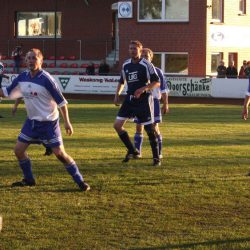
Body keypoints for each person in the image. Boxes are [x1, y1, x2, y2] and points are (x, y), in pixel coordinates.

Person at [0, 48, 90, 191]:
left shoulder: (47, 79)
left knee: (60, 154)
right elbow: (5, 92)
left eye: (34, 58)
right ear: (25, 61)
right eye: (28, 58)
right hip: (31, 122)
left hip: (49, 123)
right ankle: (29, 180)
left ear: (41, 61)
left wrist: (67, 122)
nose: (31, 61)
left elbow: (61, 102)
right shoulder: (22, 77)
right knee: (18, 150)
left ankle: (80, 181)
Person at [113, 40, 161, 166]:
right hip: (129, 99)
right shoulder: (126, 65)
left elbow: (157, 82)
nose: (132, 50)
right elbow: (122, 81)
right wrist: (116, 95)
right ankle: (132, 149)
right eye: (130, 48)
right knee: (117, 125)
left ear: (140, 50)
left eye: (135, 48)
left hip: (144, 100)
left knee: (149, 129)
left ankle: (156, 158)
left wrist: (143, 88)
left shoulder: (146, 64)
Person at [134, 48, 169, 159]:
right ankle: (137, 152)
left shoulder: (157, 71)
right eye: (142, 55)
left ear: (151, 57)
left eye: (146, 56)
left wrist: (166, 103)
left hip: (153, 102)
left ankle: (158, 152)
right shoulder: (138, 69)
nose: (144, 57)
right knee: (139, 126)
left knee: (154, 128)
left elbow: (163, 89)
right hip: (140, 101)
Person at [0, 53, 10, 118]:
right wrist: (5, 76)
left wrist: (5, 76)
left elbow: (0, 73)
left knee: (0, 98)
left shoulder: (1, 64)